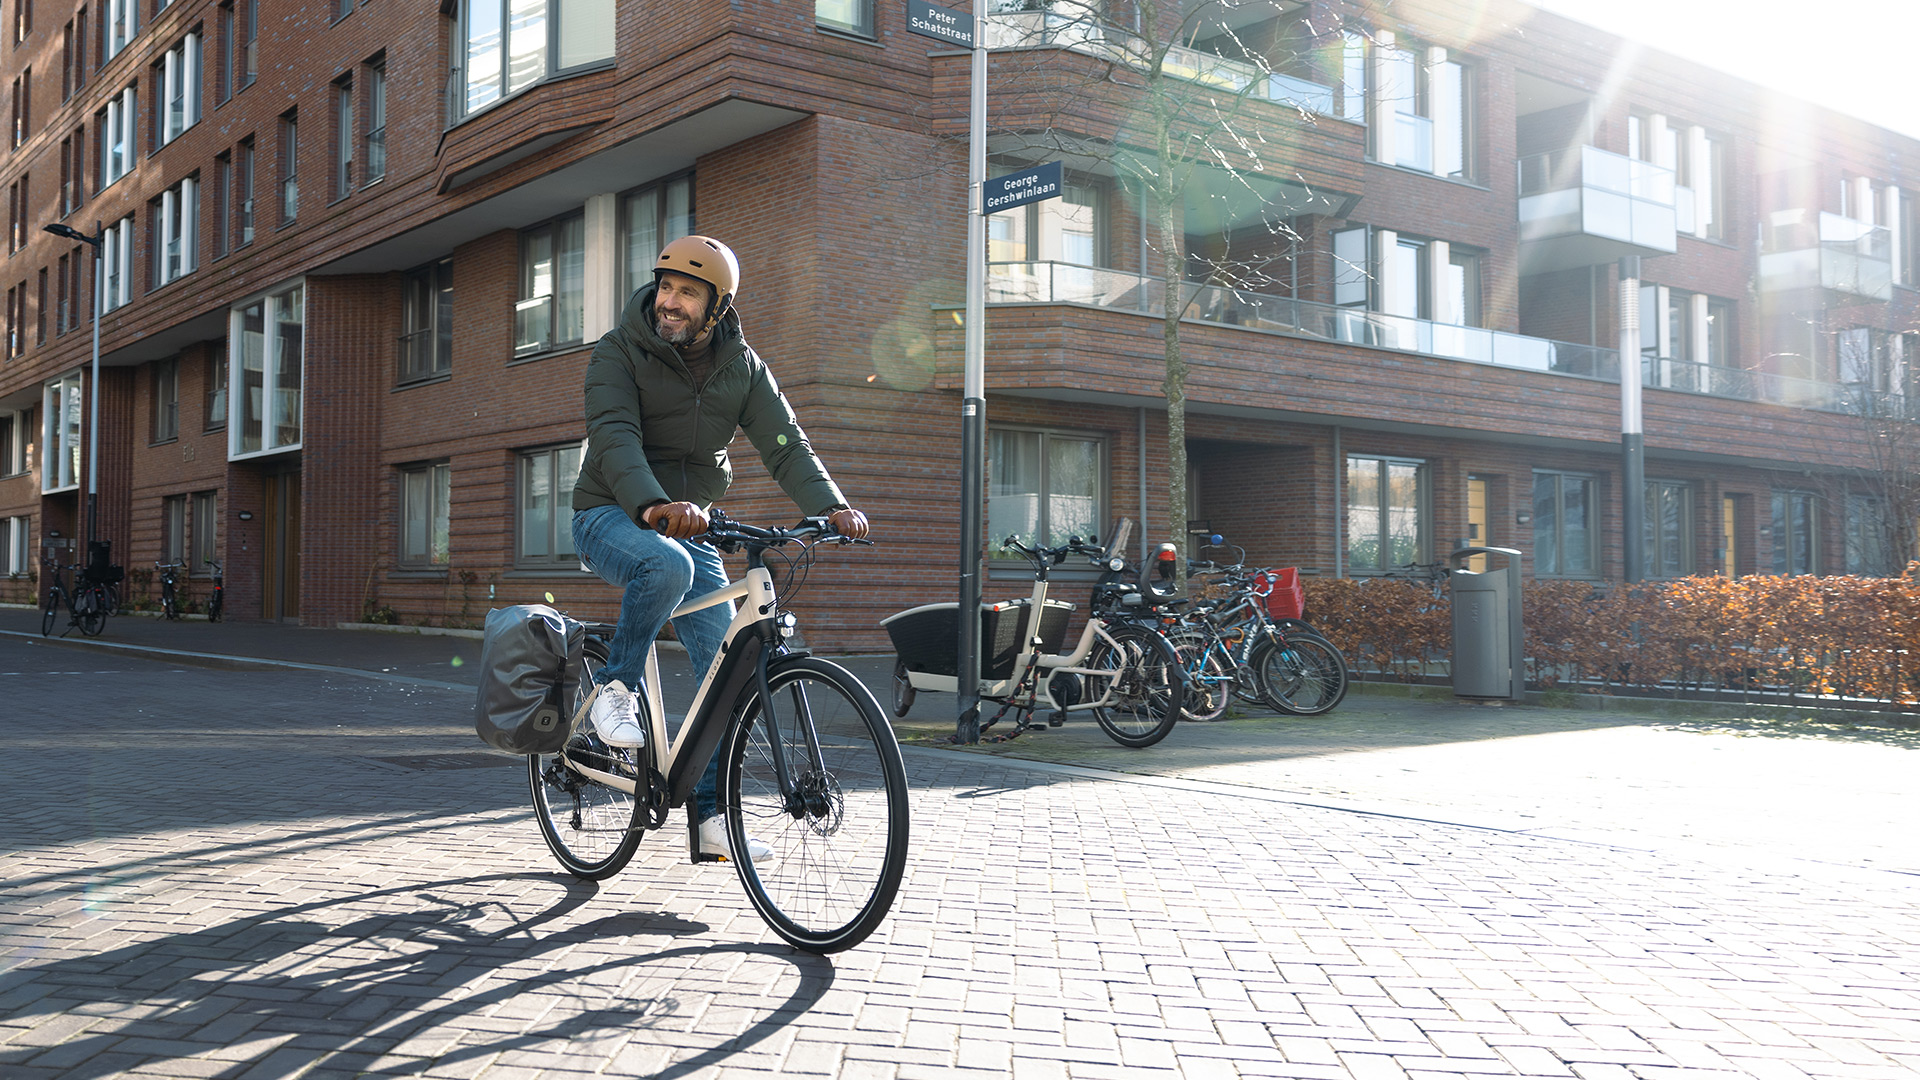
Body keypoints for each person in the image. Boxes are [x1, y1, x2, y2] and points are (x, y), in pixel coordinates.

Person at [569, 234, 870, 862]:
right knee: (665, 563)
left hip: (693, 524)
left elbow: (785, 444)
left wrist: (830, 507)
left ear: (717, 307)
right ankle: (612, 693)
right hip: (610, 513)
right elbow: (615, 438)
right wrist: (652, 505)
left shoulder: (743, 367)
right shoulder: (618, 352)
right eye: (666, 287)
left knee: (726, 668)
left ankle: (711, 818)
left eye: (688, 293)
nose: (670, 302)